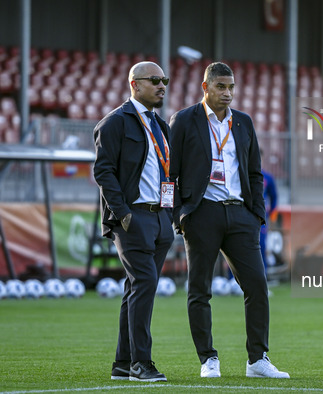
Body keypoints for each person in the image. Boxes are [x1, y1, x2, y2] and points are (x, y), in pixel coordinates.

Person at [169, 62, 289, 379]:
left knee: (257, 287)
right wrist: (178, 215)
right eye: (221, 86)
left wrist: (256, 215)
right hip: (202, 213)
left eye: (231, 87)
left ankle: (257, 360)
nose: (228, 93)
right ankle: (208, 359)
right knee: (199, 290)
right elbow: (170, 175)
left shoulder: (244, 123)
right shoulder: (184, 121)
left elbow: (254, 173)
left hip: (240, 216)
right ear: (205, 87)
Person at [93, 61, 174, 382]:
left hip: (160, 216)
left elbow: (165, 171)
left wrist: (170, 214)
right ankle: (142, 363)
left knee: (136, 289)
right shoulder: (114, 122)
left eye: (164, 80)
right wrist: (123, 214)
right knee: (143, 285)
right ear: (135, 84)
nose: (162, 85)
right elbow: (103, 172)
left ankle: (123, 364)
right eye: (155, 80)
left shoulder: (160, 125)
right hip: (133, 217)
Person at [259, 149, 278, 274]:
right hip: (242, 215)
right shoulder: (241, 174)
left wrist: (271, 215)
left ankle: (262, 279)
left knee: (261, 246)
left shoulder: (267, 178)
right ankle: (232, 280)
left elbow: (274, 197)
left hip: (260, 219)